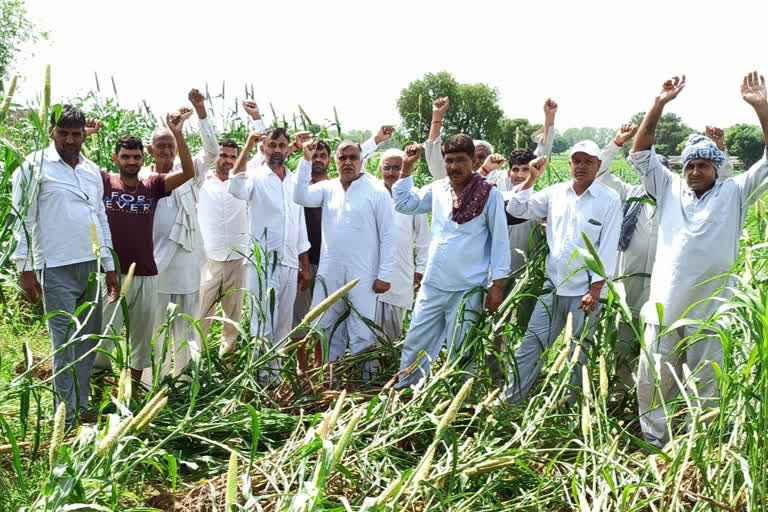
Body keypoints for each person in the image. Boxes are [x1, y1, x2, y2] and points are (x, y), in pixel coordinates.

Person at [629, 72, 768, 448]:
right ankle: (656, 445)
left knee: (707, 384)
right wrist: (658, 104)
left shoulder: (734, 193)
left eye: (703, 165)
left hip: (711, 310)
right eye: (689, 165)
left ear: (716, 167)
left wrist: (761, 108)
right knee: (653, 382)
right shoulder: (670, 189)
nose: (694, 171)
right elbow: (640, 152)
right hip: (663, 308)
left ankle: (700, 450)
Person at [595, 124, 734, 391]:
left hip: (667, 294)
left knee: (665, 352)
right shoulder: (629, 194)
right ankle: (620, 393)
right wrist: (616, 143)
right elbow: (600, 173)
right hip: (629, 288)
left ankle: (672, 399)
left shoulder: (682, 201)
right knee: (624, 341)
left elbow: (724, 185)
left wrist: (719, 151)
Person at [11, 105, 118, 425]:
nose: (71, 140)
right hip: (54, 266)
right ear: (51, 132)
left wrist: (109, 264)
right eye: (64, 133)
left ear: (85, 134)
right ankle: (66, 414)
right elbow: (23, 219)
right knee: (64, 341)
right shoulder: (35, 167)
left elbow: (99, 217)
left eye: (76, 133)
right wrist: (25, 268)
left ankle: (80, 403)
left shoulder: (90, 171)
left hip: (89, 263)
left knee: (88, 338)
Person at [503, 141, 622, 402]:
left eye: (588, 161)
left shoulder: (609, 199)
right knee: (531, 345)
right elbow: (516, 208)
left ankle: (569, 410)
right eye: (576, 161)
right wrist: (532, 178)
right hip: (553, 286)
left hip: (585, 293)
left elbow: (608, 245)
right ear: (569, 164)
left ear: (598, 165)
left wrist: (596, 289)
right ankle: (510, 400)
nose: (581, 166)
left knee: (577, 354)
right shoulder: (554, 193)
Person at [393, 136, 511, 388]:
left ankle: (457, 397)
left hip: (468, 288)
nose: (454, 166)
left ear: (472, 161)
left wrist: (497, 286)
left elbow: (500, 242)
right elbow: (404, 204)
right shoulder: (438, 189)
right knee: (416, 341)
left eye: (460, 160)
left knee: (462, 347)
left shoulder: (488, 195)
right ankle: (407, 389)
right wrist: (407, 167)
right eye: (449, 161)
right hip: (434, 283)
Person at [98, 117, 195, 384]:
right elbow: (78, 165)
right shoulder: (105, 182)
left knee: (141, 339)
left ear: (143, 160)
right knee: (104, 337)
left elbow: (188, 172)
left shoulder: (152, 186)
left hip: (146, 273)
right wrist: (87, 135)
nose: (131, 161)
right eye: (126, 156)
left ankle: (133, 391)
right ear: (116, 158)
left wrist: (178, 134)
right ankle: (95, 392)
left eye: (136, 157)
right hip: (112, 275)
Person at [290, 127, 395, 371]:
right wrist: (305, 160)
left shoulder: (376, 190)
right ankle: (331, 379)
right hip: (330, 272)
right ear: (336, 162)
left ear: (361, 160)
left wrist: (384, 275)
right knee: (326, 326)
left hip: (365, 274)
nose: (347, 162)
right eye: (342, 158)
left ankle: (363, 384)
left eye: (353, 158)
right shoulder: (328, 188)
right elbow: (300, 196)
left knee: (362, 329)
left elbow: (389, 236)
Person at [139, 88, 218, 379]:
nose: (166, 151)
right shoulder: (143, 181)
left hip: (187, 267)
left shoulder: (190, 173)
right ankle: (151, 385)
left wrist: (199, 112)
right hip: (156, 267)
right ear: (150, 151)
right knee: (155, 329)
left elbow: (212, 151)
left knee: (186, 328)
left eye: (170, 145)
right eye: (160, 146)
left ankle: (185, 386)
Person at [227, 128, 311, 384]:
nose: (276, 149)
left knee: (283, 326)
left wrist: (304, 265)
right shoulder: (255, 177)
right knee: (261, 323)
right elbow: (235, 186)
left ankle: (274, 380)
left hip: (288, 262)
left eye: (282, 145)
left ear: (288, 149)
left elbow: (300, 225)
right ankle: (258, 380)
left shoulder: (294, 181)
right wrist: (246, 146)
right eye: (272, 144)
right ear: (263, 148)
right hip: (262, 263)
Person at [198, 138, 248, 356]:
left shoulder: (243, 183)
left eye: (232, 156)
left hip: (237, 259)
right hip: (208, 259)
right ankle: (195, 363)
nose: (228, 160)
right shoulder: (202, 181)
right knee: (201, 316)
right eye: (223, 155)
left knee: (232, 318)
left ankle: (226, 363)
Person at [376, 148, 430, 341]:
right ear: (380, 169)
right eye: (387, 167)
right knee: (366, 333)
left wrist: (421, 268)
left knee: (392, 335)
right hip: (370, 273)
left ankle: (389, 370)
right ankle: (365, 371)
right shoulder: (373, 193)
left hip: (400, 273)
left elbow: (424, 238)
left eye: (397, 168)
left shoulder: (414, 196)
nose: (391, 172)